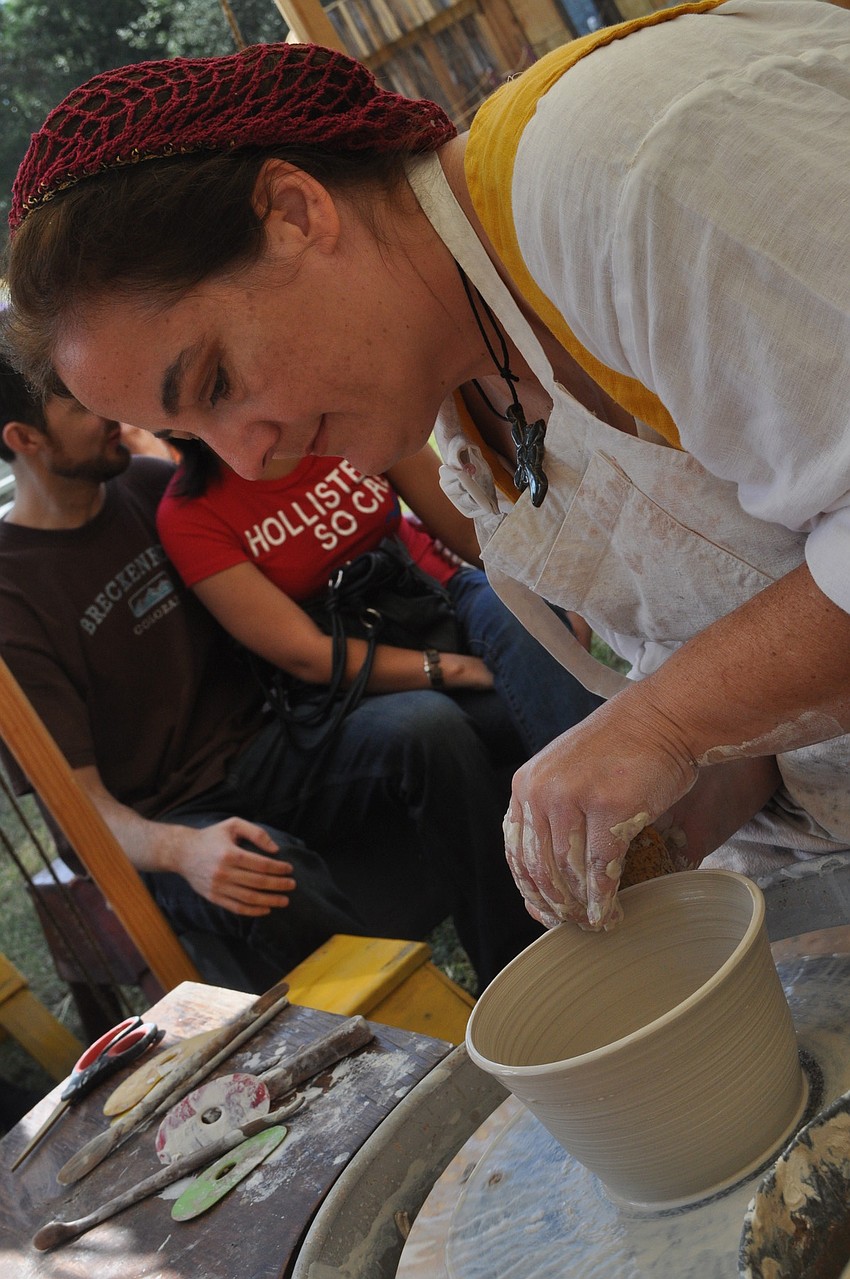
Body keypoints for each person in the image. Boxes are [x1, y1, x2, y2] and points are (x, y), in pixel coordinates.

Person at [3, 0, 850, 937]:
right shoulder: (464, 396)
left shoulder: (633, 171)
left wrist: (664, 723)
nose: (249, 452)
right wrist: (678, 809)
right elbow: (756, 625)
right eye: (194, 436)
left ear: (295, 213)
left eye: (217, 379)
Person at [0, 350, 546, 991]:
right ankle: (414, 1032)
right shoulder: (14, 597)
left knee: (429, 727)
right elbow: (80, 810)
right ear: (24, 438)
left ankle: (519, 970)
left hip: (274, 740)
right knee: (265, 870)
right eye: (79, 403)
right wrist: (184, 851)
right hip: (171, 814)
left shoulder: (147, 488)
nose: (110, 413)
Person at [156, 438, 601, 758]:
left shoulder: (332, 424)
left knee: (523, 621)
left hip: (440, 591)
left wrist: (555, 597)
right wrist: (455, 669)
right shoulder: (189, 515)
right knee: (460, 721)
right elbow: (308, 656)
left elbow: (470, 535)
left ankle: (622, 808)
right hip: (362, 654)